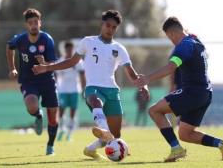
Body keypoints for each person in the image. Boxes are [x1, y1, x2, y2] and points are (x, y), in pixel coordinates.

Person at [33, 10, 148, 160]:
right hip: (92, 87)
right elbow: (71, 62)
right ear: (102, 24)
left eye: (114, 27)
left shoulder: (119, 49)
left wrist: (142, 86)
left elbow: (131, 73)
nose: (110, 29)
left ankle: (90, 149)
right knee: (94, 99)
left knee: (116, 136)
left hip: (112, 90)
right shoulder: (87, 42)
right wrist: (47, 67)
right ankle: (104, 129)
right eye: (108, 25)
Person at [135, 17, 223, 162]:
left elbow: (171, 67)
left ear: (171, 34)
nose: (171, 41)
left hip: (192, 92)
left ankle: (176, 149)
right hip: (205, 93)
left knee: (154, 110)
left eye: (169, 37)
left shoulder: (184, 46)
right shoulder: (195, 41)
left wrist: (147, 79)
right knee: (185, 134)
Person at [6, 8, 59, 155]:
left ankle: (50, 145)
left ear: (40, 23)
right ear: (26, 25)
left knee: (53, 118)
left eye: (36, 22)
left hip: (47, 81)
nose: (33, 25)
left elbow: (54, 62)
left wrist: (45, 63)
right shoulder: (20, 39)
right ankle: (37, 115)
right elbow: (9, 48)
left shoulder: (47, 39)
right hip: (29, 81)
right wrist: (12, 68)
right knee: (31, 106)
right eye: (30, 23)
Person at [55, 41, 86, 141]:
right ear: (65, 50)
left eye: (71, 49)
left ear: (73, 49)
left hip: (75, 90)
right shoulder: (60, 61)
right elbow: (56, 76)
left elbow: (82, 76)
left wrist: (83, 89)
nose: (69, 51)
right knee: (61, 111)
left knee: (73, 111)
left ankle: (70, 132)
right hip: (63, 90)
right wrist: (55, 88)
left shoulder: (78, 62)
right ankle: (62, 128)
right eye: (68, 49)